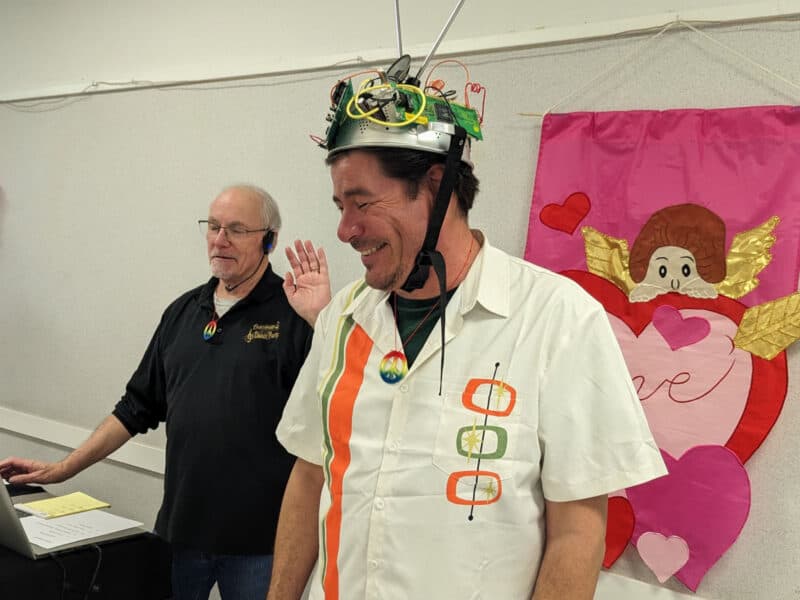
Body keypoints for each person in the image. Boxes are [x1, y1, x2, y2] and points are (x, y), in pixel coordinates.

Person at [266, 66, 667, 600]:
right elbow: (310, 476)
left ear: (436, 186)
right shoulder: (343, 316)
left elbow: (578, 527)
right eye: (341, 206)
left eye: (362, 203)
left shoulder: (556, 317)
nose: (345, 230)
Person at [0, 184, 331, 600]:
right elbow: (134, 408)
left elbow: (333, 407)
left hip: (259, 546)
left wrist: (322, 322)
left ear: (269, 240)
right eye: (213, 226)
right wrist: (61, 469)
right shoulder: (183, 312)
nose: (219, 239)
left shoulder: (294, 315)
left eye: (236, 229)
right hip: (181, 534)